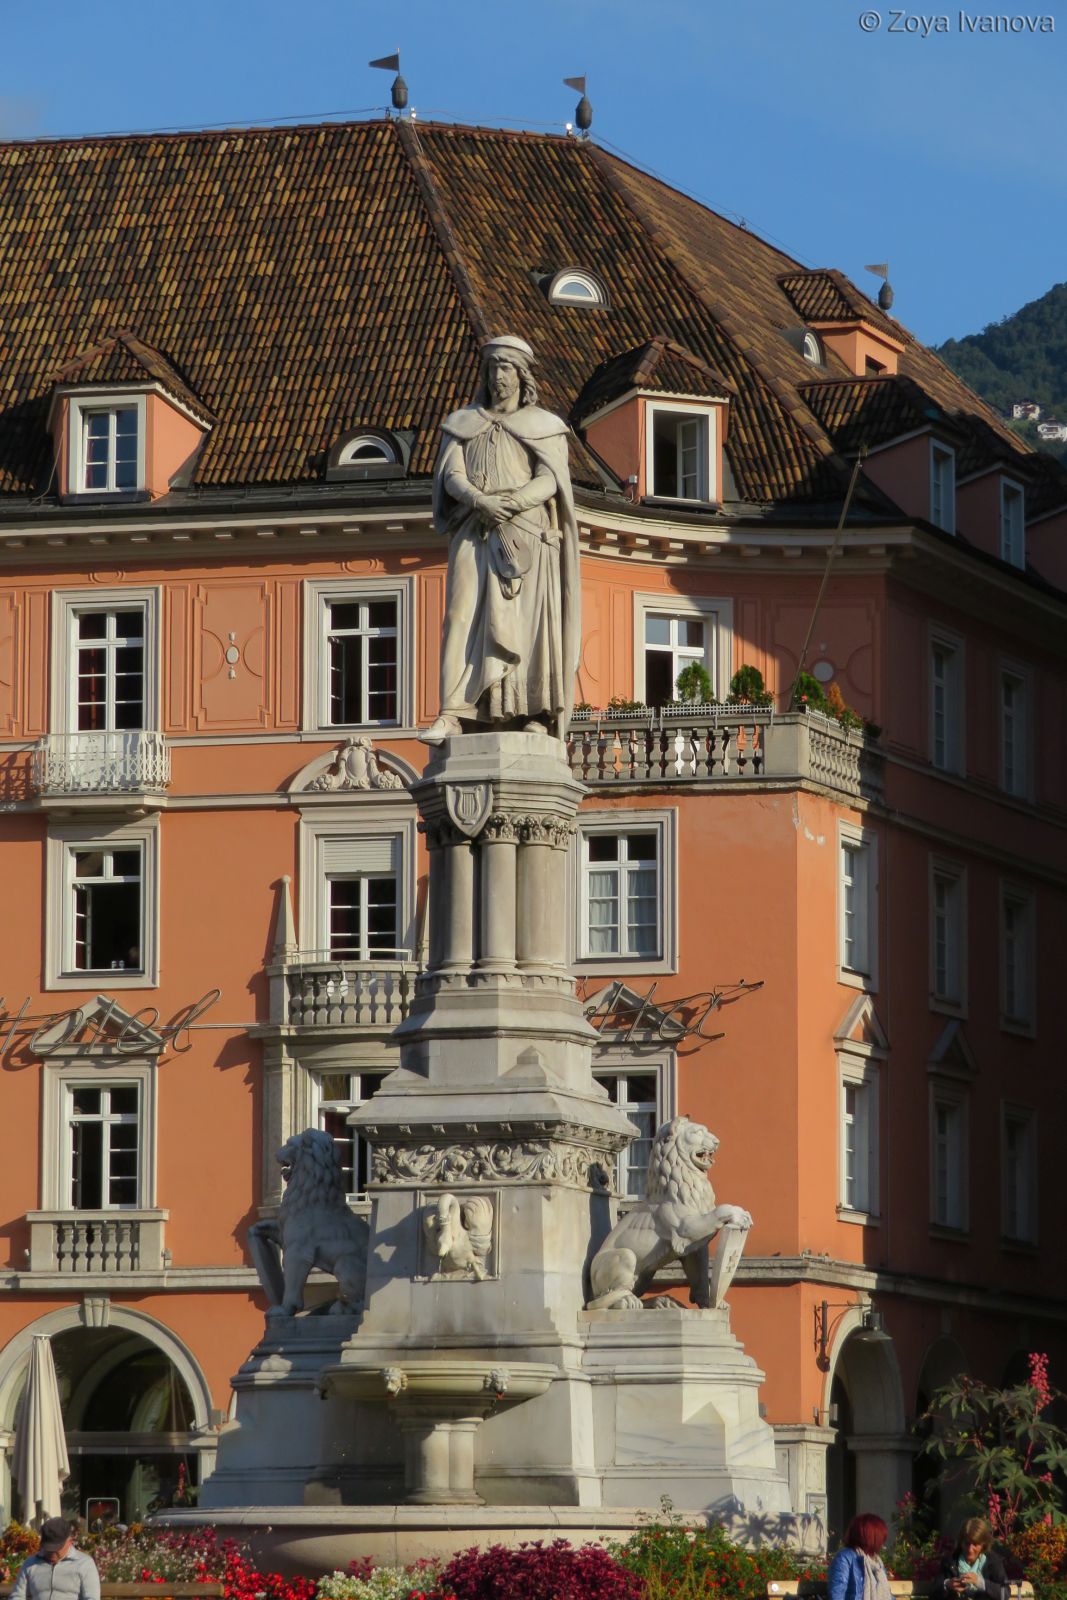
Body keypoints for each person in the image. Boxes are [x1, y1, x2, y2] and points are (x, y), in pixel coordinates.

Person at [420, 334, 580, 744]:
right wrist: (480, 501)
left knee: (527, 625)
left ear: (522, 376)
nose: (498, 376)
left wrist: (512, 503)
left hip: (524, 535)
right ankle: (453, 712)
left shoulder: (544, 426)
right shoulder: (461, 423)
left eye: (506, 368)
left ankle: (534, 711)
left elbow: (551, 479)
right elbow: (451, 475)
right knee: (460, 616)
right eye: (492, 368)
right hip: (473, 527)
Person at [10, 1518, 101, 1600]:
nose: (52, 1552)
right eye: (48, 1548)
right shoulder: (30, 1563)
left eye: (56, 1548)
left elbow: (92, 1598)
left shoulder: (84, 1564)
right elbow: (17, 1595)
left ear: (69, 1540)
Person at [934, 1518, 1010, 1600]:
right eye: (967, 1543)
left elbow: (1005, 1593)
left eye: (975, 1544)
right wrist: (947, 1584)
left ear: (983, 1544)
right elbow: (934, 1591)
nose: (970, 1549)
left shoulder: (993, 1561)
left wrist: (980, 1582)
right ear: (961, 1542)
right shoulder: (950, 1561)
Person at [828, 1512, 892, 1600]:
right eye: (881, 1537)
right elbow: (837, 1595)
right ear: (871, 1537)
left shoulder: (876, 1562)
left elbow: (887, 1594)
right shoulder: (845, 1558)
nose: (882, 1542)